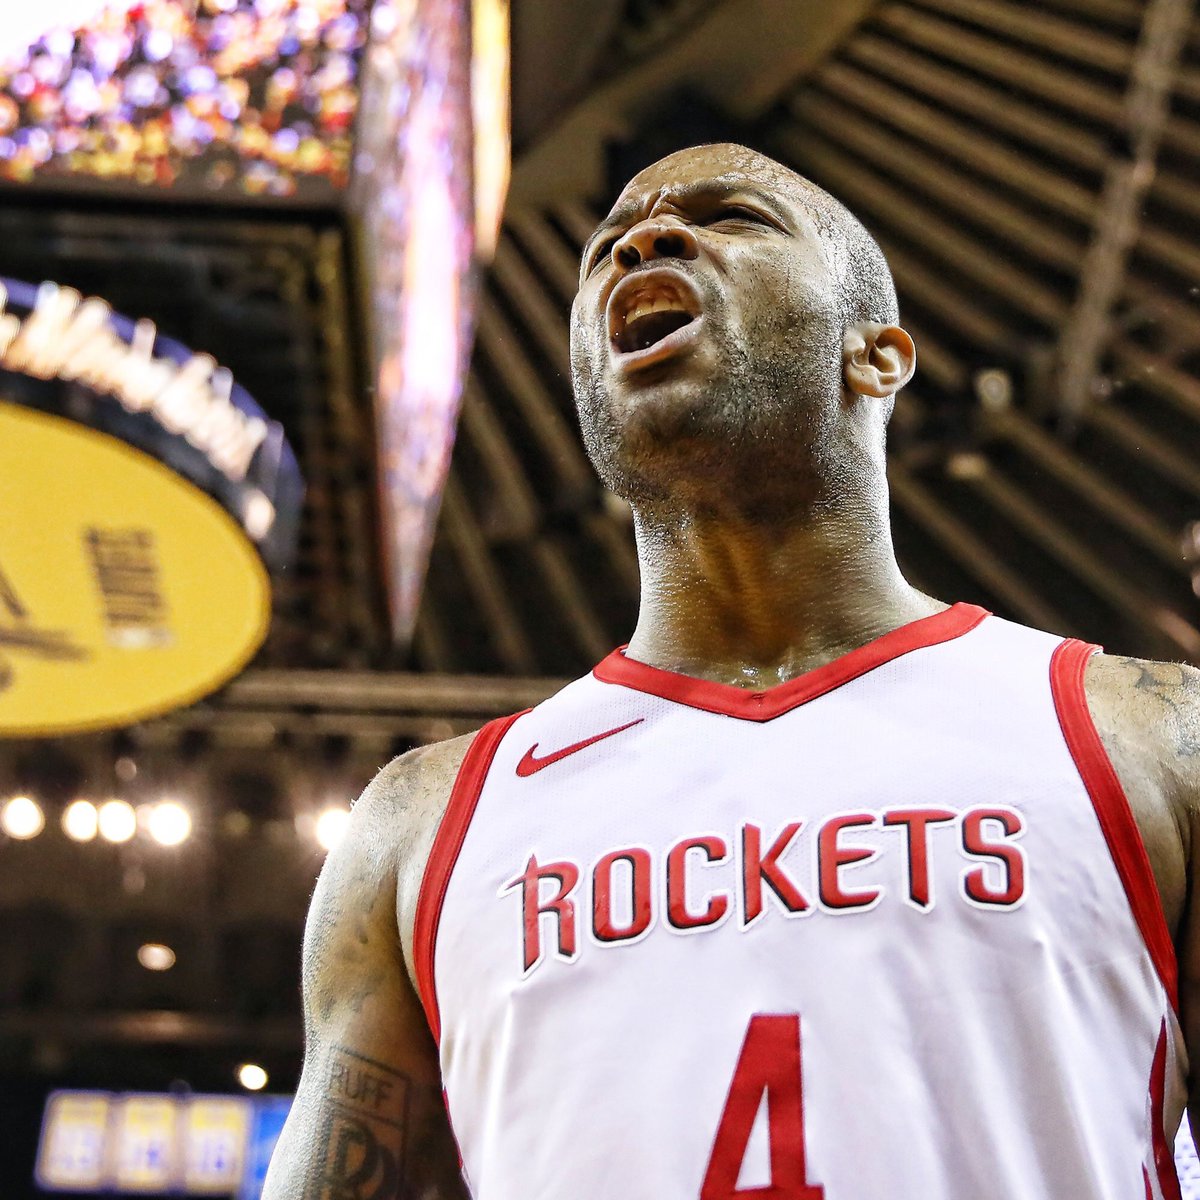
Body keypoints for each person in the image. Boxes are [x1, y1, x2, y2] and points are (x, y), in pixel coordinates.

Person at [262, 143, 1199, 1199]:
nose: (645, 242)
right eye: (608, 247)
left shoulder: (1151, 739)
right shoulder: (420, 824)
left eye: (735, 218)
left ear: (877, 356)